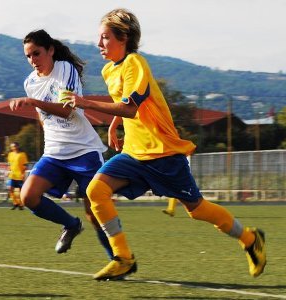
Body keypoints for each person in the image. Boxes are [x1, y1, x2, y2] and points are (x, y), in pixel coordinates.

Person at [63, 8, 266, 280]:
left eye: (105, 38)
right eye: (99, 38)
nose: (99, 44)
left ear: (123, 37)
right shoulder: (110, 70)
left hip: (163, 153)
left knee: (197, 210)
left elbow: (131, 107)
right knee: (96, 191)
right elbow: (124, 104)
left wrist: (85, 102)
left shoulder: (136, 63)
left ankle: (250, 238)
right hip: (135, 153)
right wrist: (114, 124)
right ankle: (123, 257)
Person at [9, 29, 113, 258]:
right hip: (55, 153)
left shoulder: (65, 69)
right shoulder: (30, 83)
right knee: (28, 196)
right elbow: (41, 114)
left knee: (95, 212)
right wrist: (49, 132)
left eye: (36, 53)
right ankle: (70, 225)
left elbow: (67, 111)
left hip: (84, 151)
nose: (32, 60)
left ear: (51, 50)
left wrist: (32, 101)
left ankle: (118, 259)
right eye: (28, 56)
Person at [7, 142, 28, 210]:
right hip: (12, 175)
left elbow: (25, 165)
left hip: (19, 175)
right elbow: (9, 164)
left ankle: (21, 204)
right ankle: (15, 203)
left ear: (18, 146)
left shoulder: (22, 154)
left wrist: (23, 173)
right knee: (10, 189)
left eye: (15, 146)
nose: (13, 148)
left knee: (21, 191)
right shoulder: (10, 154)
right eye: (12, 146)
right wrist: (8, 171)